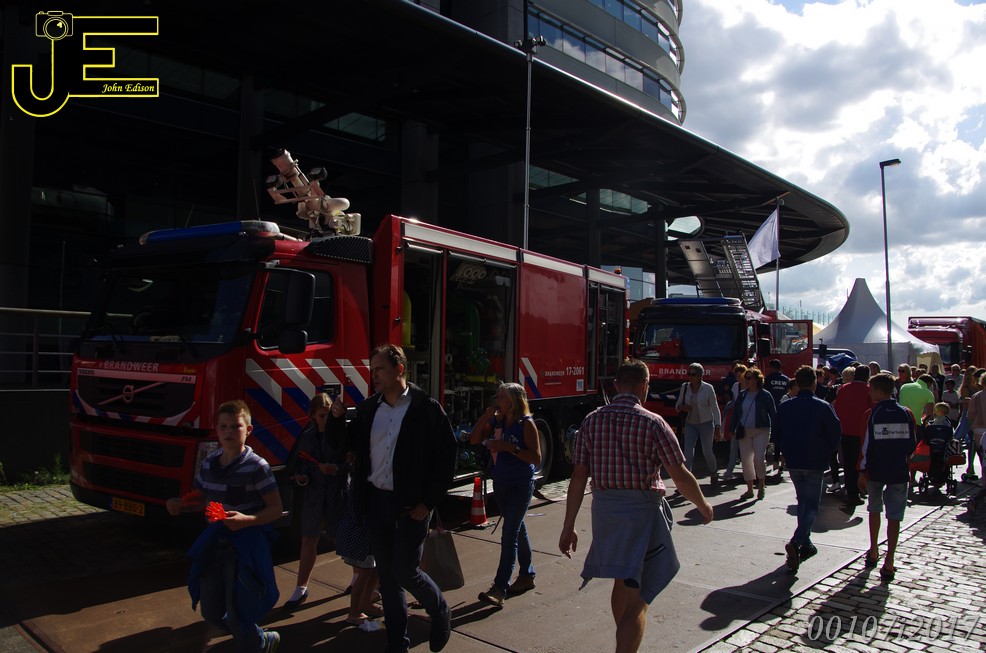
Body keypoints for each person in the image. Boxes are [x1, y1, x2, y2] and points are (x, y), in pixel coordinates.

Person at [558, 359, 713, 653]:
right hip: (641, 516)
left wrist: (568, 527)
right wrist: (703, 506)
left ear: (617, 385)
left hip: (605, 513)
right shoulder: (654, 423)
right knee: (639, 596)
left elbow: (578, 477)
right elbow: (680, 475)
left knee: (624, 579)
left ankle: (624, 639)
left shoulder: (591, 421)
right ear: (645, 385)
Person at [349, 344, 457, 653]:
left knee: (405, 571)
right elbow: (344, 443)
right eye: (372, 370)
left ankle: (440, 610)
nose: (374, 376)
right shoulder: (369, 409)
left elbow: (446, 458)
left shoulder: (426, 408)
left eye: (380, 369)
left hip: (411, 507)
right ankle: (397, 644)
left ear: (399, 369)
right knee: (388, 578)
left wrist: (428, 502)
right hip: (377, 503)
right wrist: (334, 420)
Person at [165, 399, 283, 653]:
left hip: (242, 551)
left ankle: (253, 642)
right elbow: (200, 499)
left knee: (238, 612)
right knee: (211, 613)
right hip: (213, 547)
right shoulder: (209, 463)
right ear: (216, 429)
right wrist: (180, 504)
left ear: (248, 430)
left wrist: (247, 520)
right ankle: (260, 639)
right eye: (224, 426)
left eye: (235, 426)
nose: (229, 431)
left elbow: (275, 508)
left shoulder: (257, 467)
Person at [470, 382, 542, 606]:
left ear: (513, 401)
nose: (497, 400)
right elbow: (474, 439)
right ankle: (527, 575)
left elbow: (536, 458)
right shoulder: (498, 421)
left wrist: (509, 447)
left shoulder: (526, 424)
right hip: (501, 483)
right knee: (517, 528)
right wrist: (485, 416)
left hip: (520, 485)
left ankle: (500, 587)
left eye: (501, 396)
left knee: (509, 534)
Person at [283, 392, 349, 610]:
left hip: (336, 493)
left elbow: (351, 464)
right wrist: (302, 478)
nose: (326, 419)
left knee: (340, 538)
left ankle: (359, 577)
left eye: (328, 414)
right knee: (308, 539)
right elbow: (302, 465)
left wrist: (335, 469)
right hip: (315, 494)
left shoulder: (340, 434)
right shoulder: (308, 437)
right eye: (321, 415)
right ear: (313, 416)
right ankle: (301, 587)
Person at [774, 365, 842, 572]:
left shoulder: (786, 406)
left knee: (803, 501)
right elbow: (835, 434)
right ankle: (797, 540)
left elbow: (776, 433)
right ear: (814, 384)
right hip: (815, 460)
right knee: (811, 505)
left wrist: (785, 451)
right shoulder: (822, 406)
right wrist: (827, 452)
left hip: (795, 460)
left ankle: (806, 542)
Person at [857, 373, 917, 582]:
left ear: (878, 390)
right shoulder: (906, 413)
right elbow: (912, 444)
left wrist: (862, 471)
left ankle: (874, 549)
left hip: (876, 470)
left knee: (874, 509)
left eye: (871, 390)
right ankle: (889, 560)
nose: (869, 393)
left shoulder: (872, 414)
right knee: (895, 516)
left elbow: (866, 446)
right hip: (899, 471)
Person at [732, 367, 777, 500]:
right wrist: (731, 429)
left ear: (757, 380)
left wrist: (776, 431)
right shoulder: (742, 395)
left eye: (749, 378)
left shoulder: (766, 395)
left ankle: (761, 485)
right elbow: (736, 413)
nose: (746, 380)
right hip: (744, 430)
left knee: (758, 458)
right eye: (745, 378)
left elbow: (773, 414)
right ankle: (749, 489)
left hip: (761, 430)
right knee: (746, 460)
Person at [674, 363, 722, 484]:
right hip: (690, 423)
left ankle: (713, 472)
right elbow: (677, 405)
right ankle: (687, 479)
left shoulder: (708, 388)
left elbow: (715, 408)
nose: (690, 377)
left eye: (693, 374)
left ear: (700, 376)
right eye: (689, 374)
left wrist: (718, 426)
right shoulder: (685, 387)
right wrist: (682, 407)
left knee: (707, 451)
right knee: (688, 452)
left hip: (706, 423)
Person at [833, 366, 872, 508]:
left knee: (848, 464)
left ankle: (852, 493)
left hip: (845, 432)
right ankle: (860, 489)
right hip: (862, 433)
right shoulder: (869, 390)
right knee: (861, 463)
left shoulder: (843, 388)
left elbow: (837, 409)